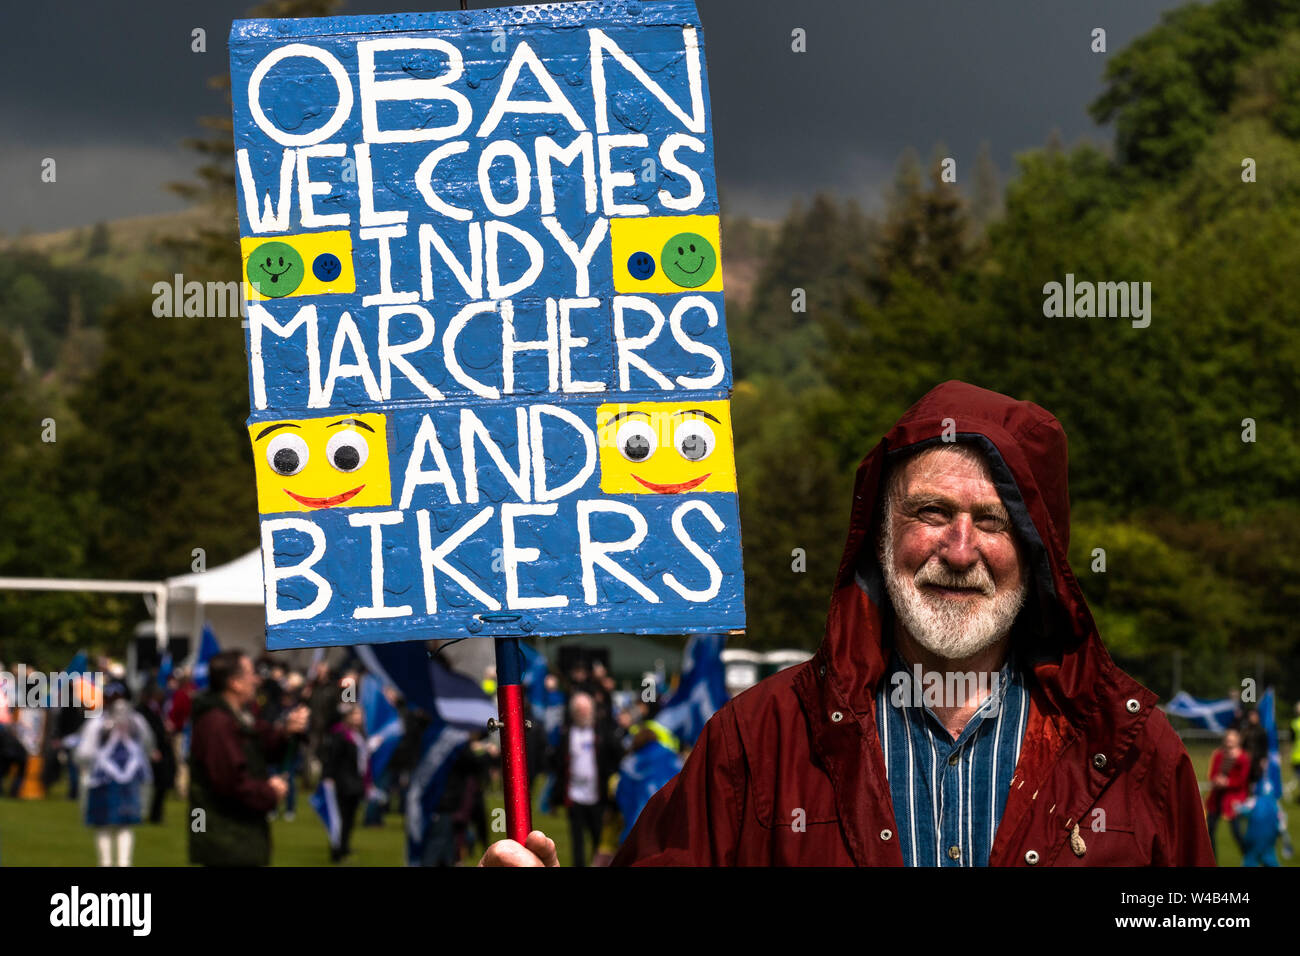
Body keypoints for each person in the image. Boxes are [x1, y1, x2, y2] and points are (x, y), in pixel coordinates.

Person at [481, 380, 1215, 867]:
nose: (960, 551)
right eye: (931, 513)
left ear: (1039, 550)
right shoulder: (759, 742)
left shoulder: (1129, 750)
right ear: (878, 536)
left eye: (992, 520)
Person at [188, 650, 308, 867]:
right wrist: (269, 792)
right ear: (235, 683)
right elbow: (229, 782)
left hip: (238, 837)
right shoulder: (217, 723)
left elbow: (263, 745)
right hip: (227, 842)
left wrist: (287, 732)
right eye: (250, 674)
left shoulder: (239, 716)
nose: (257, 679)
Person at [76, 696, 154, 866]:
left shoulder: (98, 723)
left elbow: (84, 752)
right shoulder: (137, 722)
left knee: (104, 825)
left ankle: (107, 863)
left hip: (103, 779)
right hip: (127, 780)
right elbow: (147, 746)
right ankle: (122, 863)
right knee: (123, 826)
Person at [554, 692, 623, 867]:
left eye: (585, 709)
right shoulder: (568, 733)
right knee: (577, 842)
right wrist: (556, 796)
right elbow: (560, 765)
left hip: (597, 796)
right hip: (574, 796)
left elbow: (614, 758)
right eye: (579, 709)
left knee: (598, 840)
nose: (582, 713)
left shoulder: (601, 732)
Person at [319, 702, 368, 863]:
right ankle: (336, 851)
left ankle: (345, 847)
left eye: (360, 715)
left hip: (355, 781)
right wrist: (328, 777)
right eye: (355, 715)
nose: (358, 718)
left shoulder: (358, 735)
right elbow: (333, 758)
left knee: (350, 818)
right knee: (340, 818)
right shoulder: (341, 734)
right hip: (343, 782)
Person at [1205, 728, 1251, 860]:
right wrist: (1217, 780)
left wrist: (1228, 782)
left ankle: (1249, 856)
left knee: (1236, 832)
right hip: (1216, 798)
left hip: (1233, 800)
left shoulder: (1242, 758)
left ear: (1237, 741)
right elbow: (1213, 773)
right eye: (1227, 740)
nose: (1229, 743)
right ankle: (1212, 859)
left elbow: (1242, 780)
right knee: (1210, 830)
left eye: (1232, 740)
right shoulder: (1219, 754)